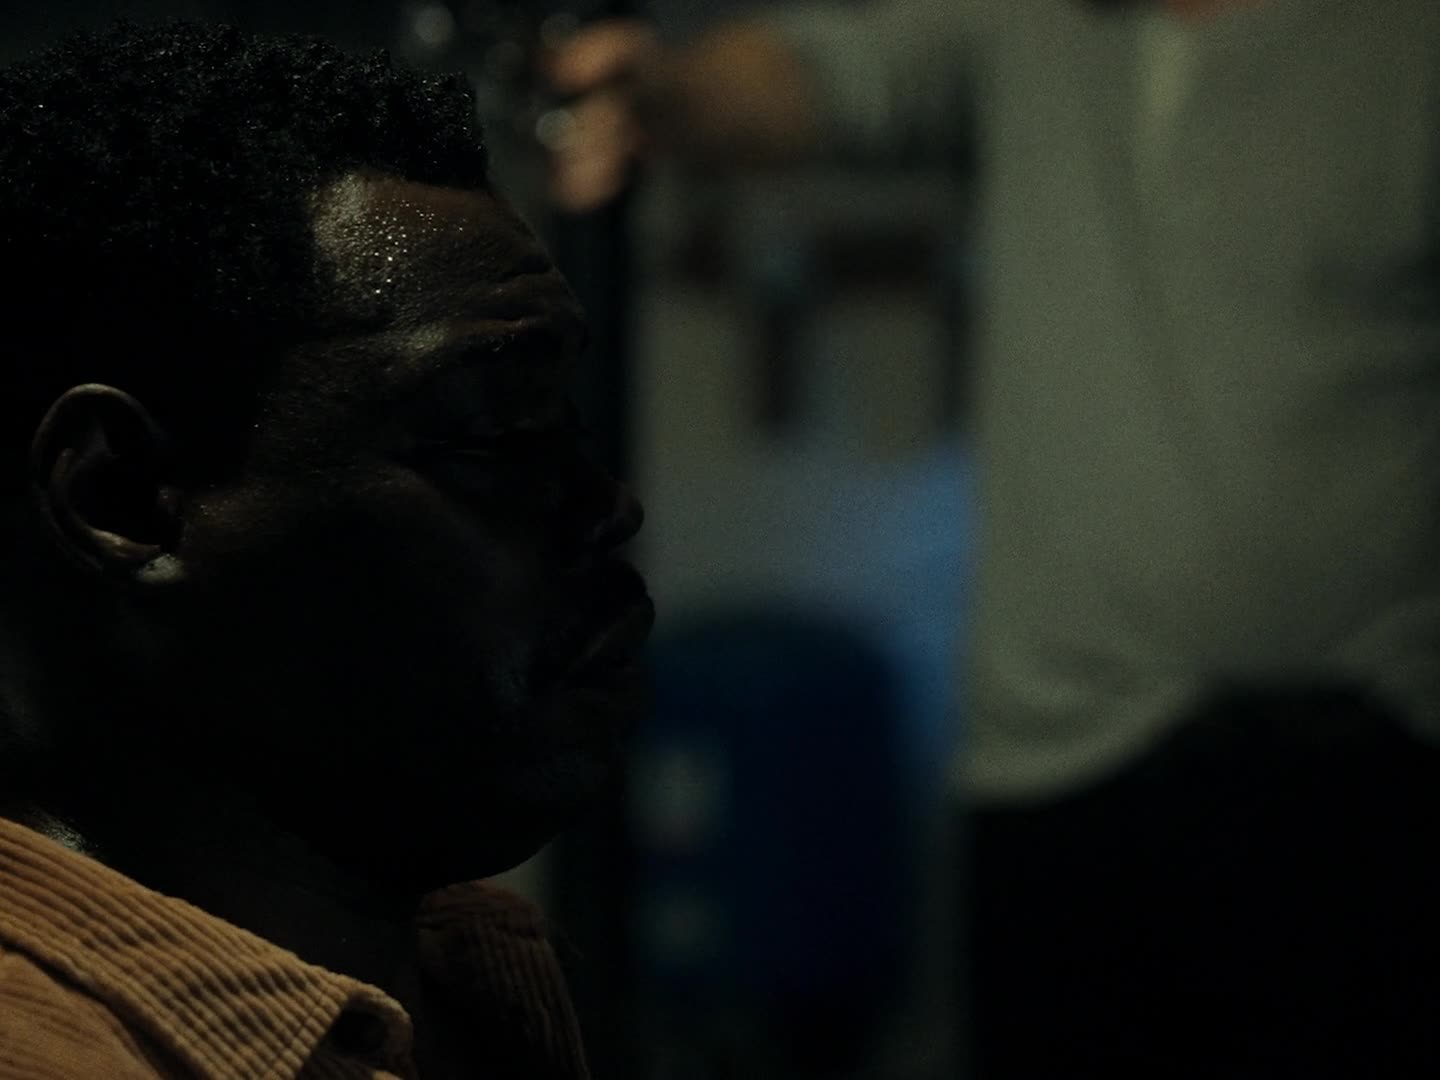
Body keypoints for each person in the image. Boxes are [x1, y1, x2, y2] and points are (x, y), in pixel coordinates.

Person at [548, 2, 1440, 1077]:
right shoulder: (1032, 20)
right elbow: (823, 76)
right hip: (1059, 769)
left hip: (1369, 768)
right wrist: (663, 92)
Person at [0, 20, 652, 1079]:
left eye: (565, 424)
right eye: (496, 434)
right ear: (119, 497)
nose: (606, 507)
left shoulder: (480, 987)